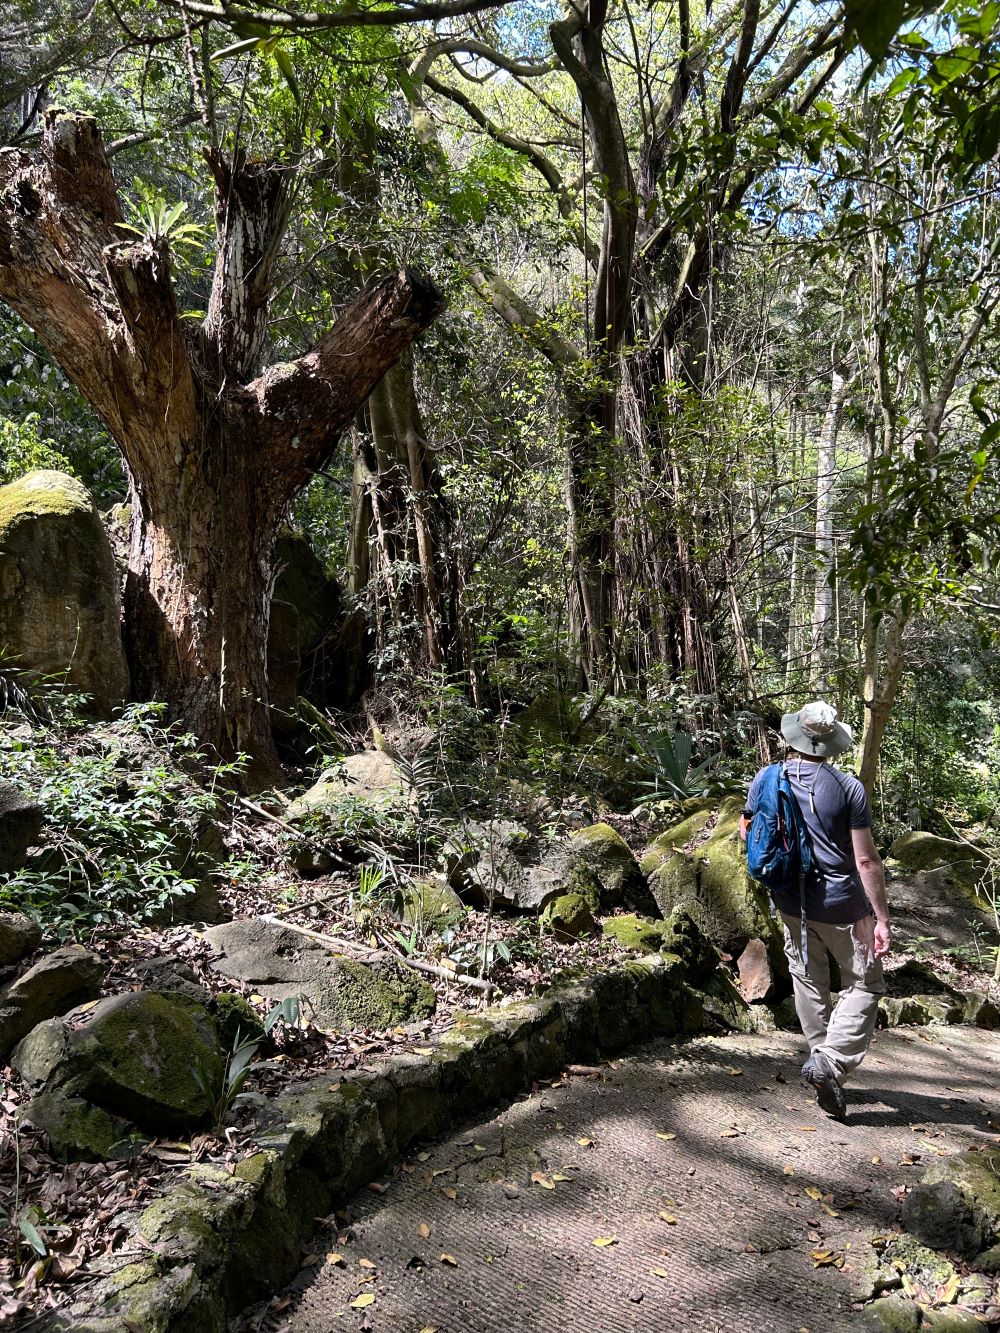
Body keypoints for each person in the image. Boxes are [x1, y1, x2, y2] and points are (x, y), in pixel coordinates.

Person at [740, 701, 891, 1122]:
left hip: (790, 899)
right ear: (832, 742)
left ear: (796, 736)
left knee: (808, 979)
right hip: (843, 906)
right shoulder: (847, 788)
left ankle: (823, 1063)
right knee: (866, 983)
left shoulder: (766, 777)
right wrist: (881, 917)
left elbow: (748, 831)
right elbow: (865, 860)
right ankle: (831, 1062)